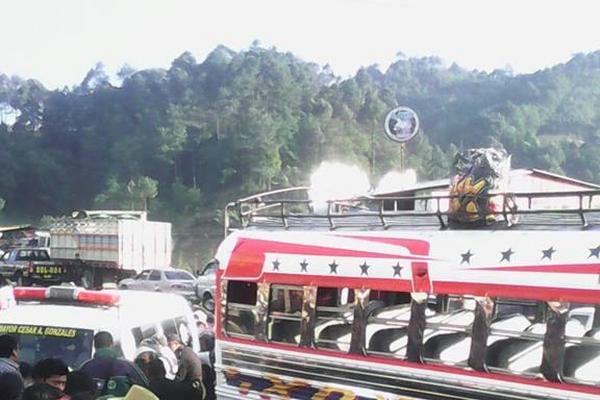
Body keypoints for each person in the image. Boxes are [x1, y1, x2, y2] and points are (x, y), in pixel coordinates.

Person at [78, 331, 148, 397]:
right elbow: (146, 391)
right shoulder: (128, 366)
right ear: (111, 345)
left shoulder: (85, 368)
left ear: (95, 346)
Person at [167, 334, 206, 399]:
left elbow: (180, 378)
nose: (168, 347)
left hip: (194, 390)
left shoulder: (184, 356)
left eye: (169, 344)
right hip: (199, 386)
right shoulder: (188, 350)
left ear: (176, 343)